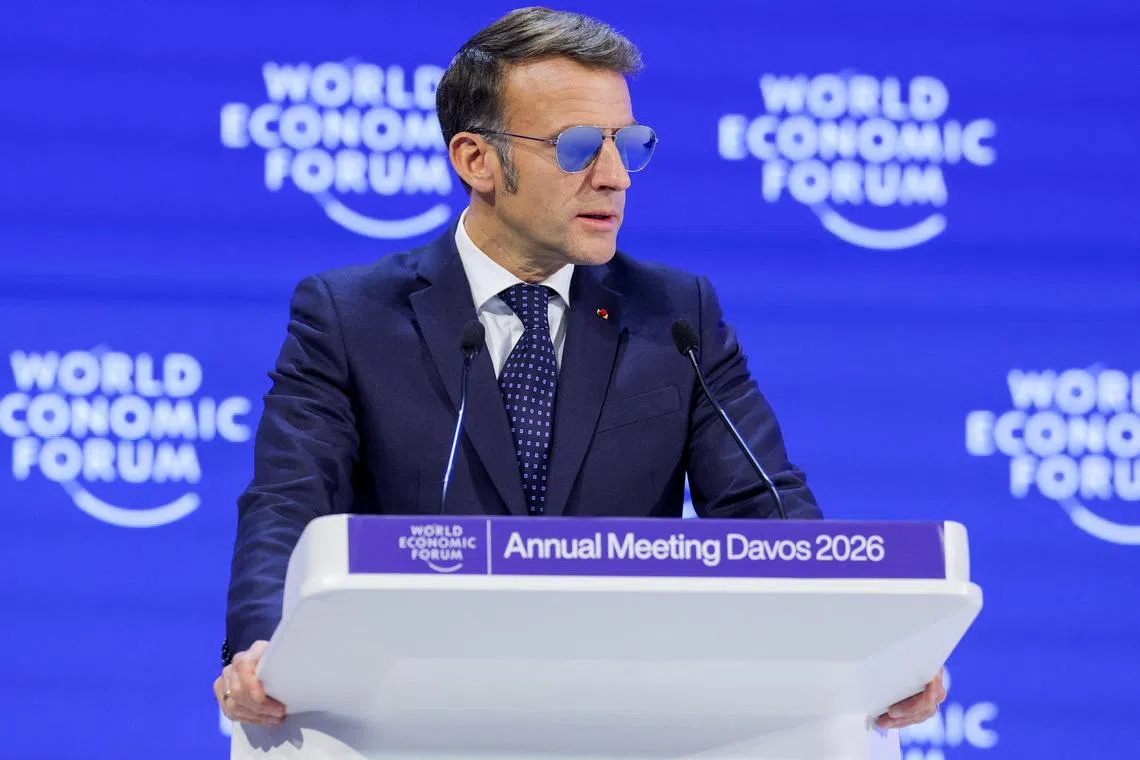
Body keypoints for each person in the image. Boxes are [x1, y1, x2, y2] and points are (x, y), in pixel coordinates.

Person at [213, 6, 945, 732]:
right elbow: (288, 502)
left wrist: (858, 651)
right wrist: (261, 649)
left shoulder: (676, 315)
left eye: (629, 145)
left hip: (621, 720)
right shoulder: (351, 316)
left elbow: (765, 511)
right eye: (577, 148)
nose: (615, 177)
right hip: (410, 716)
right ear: (477, 161)